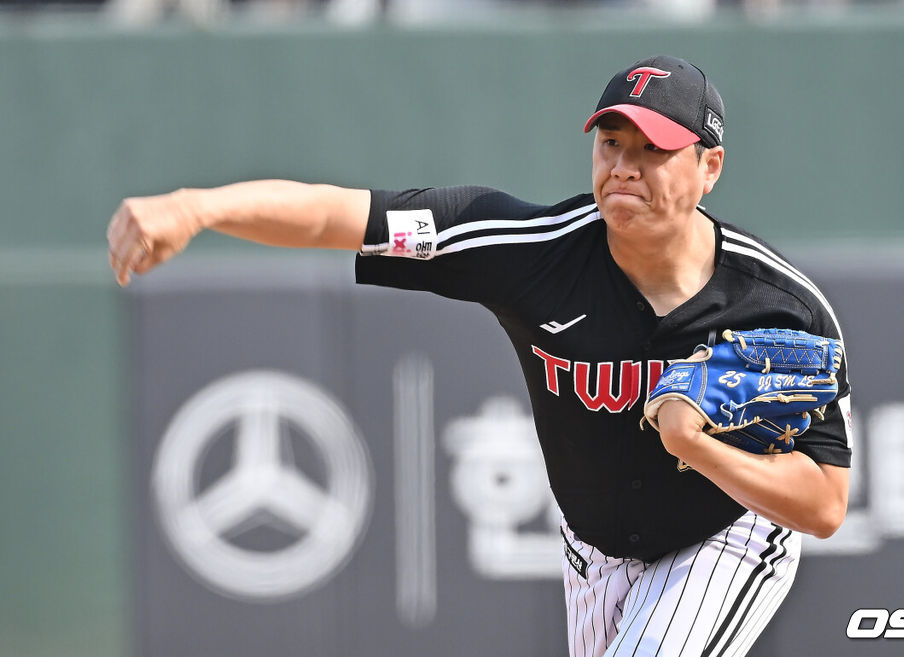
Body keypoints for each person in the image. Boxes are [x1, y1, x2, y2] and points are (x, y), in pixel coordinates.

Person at [107, 55, 852, 657]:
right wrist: (199, 206)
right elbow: (349, 215)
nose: (626, 165)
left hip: (725, 532)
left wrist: (693, 443)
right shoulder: (529, 250)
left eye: (655, 148)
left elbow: (823, 504)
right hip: (593, 551)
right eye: (612, 142)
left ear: (709, 166)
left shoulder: (780, 306)